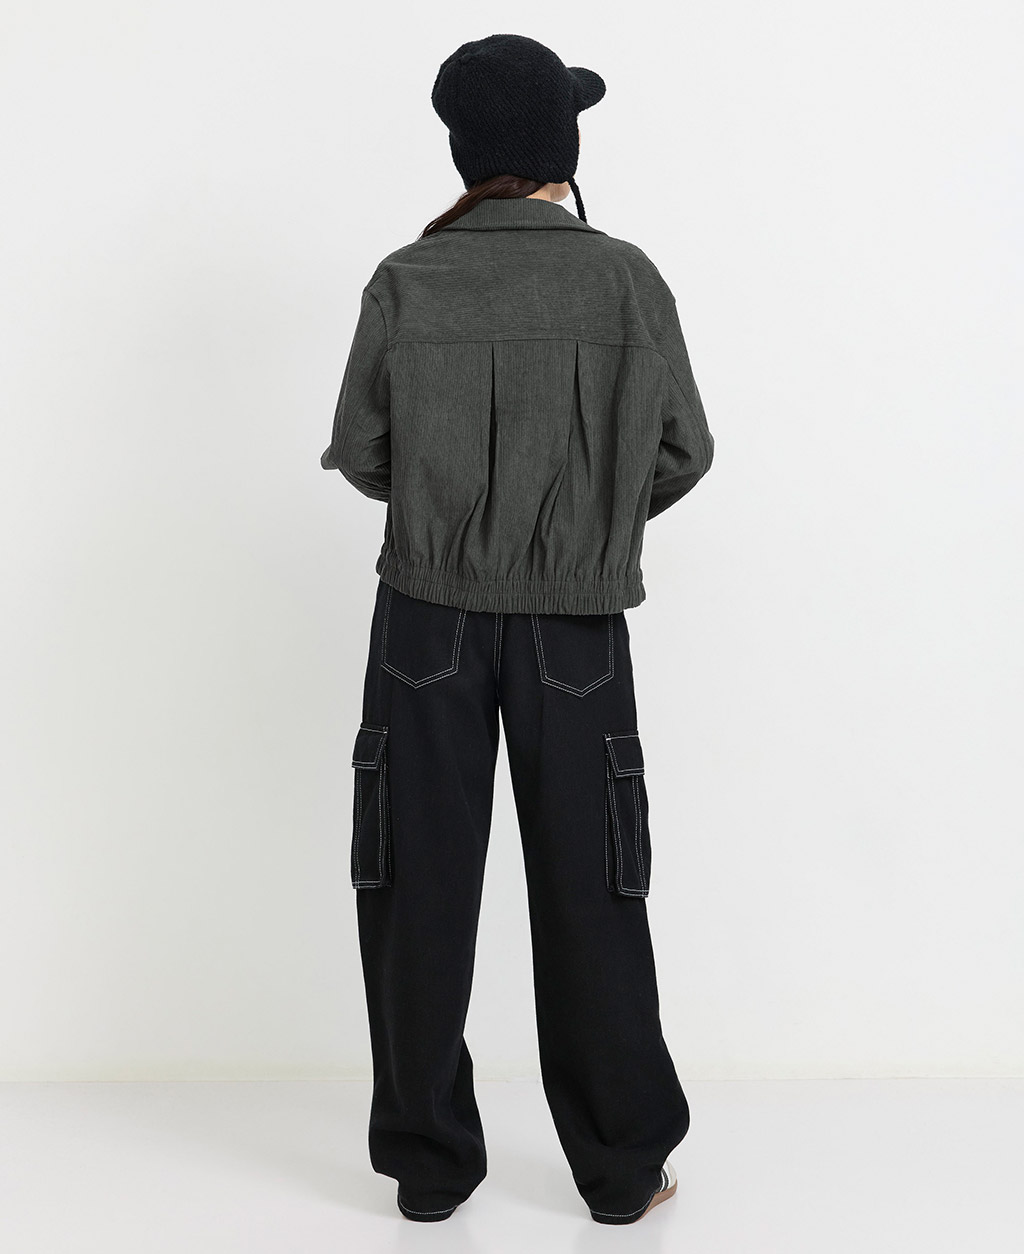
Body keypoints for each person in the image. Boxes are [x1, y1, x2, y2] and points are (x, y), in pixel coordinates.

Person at [320, 33, 714, 1226]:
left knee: (415, 884)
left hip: (423, 620)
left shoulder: (406, 277)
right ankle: (622, 1169)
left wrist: (450, 505)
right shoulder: (624, 279)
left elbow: (366, 452)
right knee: (594, 888)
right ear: (563, 145)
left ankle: (430, 1169)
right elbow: (685, 451)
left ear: (463, 150)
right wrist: (589, 518)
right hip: (576, 628)